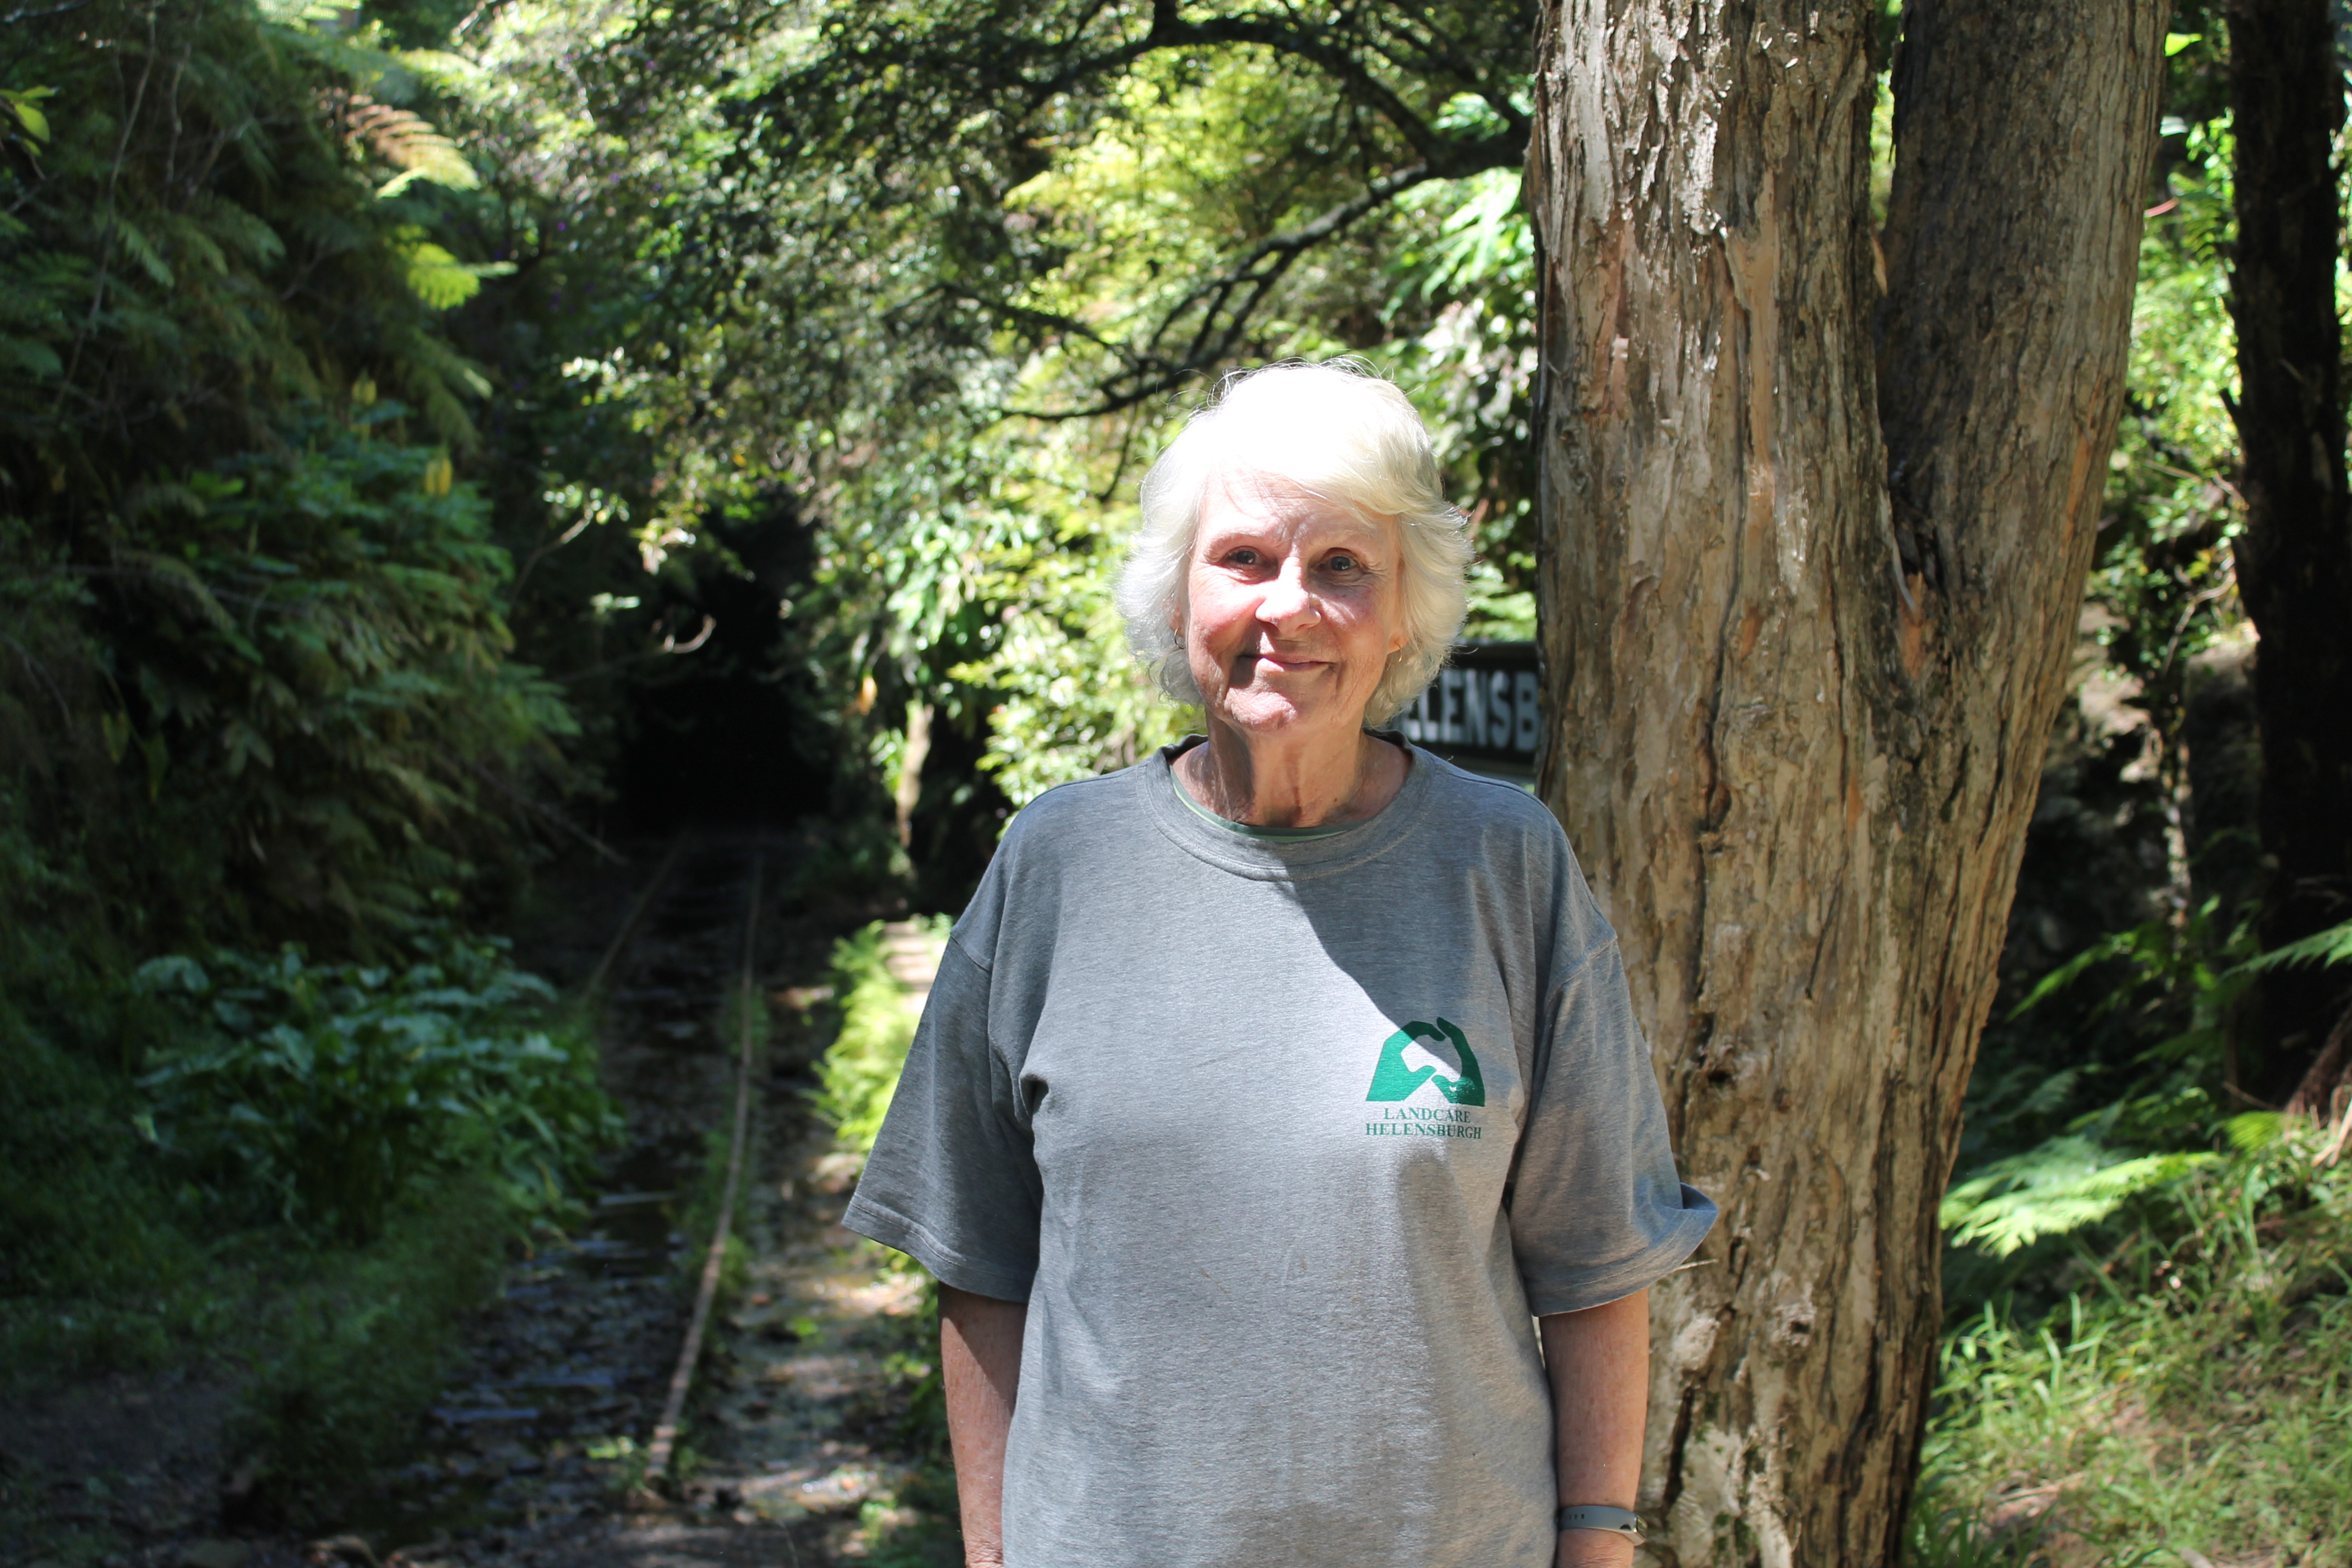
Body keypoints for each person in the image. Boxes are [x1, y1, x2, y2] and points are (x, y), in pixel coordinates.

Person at [843, 361, 1716, 1568]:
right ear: (1178, 592)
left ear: (1408, 609)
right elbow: (980, 1260)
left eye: (1343, 567)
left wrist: (1600, 1543)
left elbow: (1595, 1261)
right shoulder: (1058, 862)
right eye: (1244, 558)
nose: (1288, 607)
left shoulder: (1505, 866)